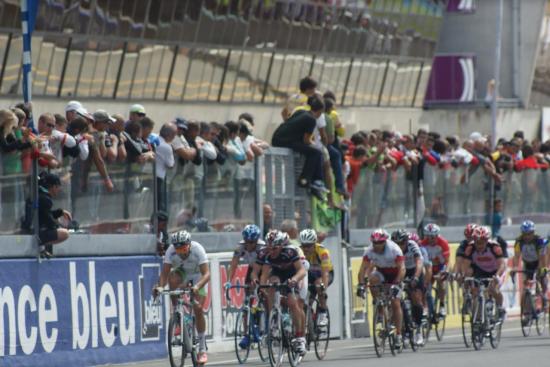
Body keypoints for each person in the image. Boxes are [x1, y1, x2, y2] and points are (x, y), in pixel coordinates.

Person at [153, 230, 210, 364]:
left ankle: (202, 348)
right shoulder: (170, 251)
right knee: (172, 278)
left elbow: (207, 274)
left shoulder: (198, 250)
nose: (181, 252)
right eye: (177, 249)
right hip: (183, 273)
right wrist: (160, 287)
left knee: (198, 307)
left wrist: (197, 287)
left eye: (183, 248)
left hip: (198, 275)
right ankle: (177, 310)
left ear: (189, 245)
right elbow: (165, 274)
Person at [259, 231, 307, 355]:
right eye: (269, 247)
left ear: (281, 246)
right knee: (272, 285)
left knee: (292, 302)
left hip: (293, 273)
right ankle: (273, 320)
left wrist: (295, 280)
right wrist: (261, 288)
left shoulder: (290, 252)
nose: (272, 251)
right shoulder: (266, 253)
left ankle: (299, 337)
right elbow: (264, 274)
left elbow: (302, 270)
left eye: (275, 248)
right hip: (278, 272)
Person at [357, 229, 405, 349]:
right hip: (382, 272)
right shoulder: (369, 251)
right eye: (374, 243)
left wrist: (396, 283)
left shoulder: (394, 249)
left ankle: (398, 335)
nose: (377, 246)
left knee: (395, 302)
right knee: (372, 280)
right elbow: (362, 270)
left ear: (385, 241)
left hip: (396, 274)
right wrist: (361, 285)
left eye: (380, 243)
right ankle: (379, 307)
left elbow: (402, 269)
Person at [272, 95, 327, 199]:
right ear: (320, 111)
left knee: (314, 152)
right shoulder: (311, 120)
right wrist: (315, 145)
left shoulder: (301, 112)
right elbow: (306, 140)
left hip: (278, 137)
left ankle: (316, 181)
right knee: (316, 152)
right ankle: (306, 180)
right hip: (284, 141)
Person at [225, 224, 265, 349]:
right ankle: (246, 333)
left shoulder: (262, 247)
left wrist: (260, 283)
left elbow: (266, 268)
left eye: (252, 242)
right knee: (246, 301)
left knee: (263, 292)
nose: (249, 245)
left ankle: (266, 322)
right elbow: (233, 265)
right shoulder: (240, 246)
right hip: (252, 268)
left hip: (264, 269)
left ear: (256, 240)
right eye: (247, 241)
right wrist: (228, 281)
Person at [391, 229, 426, 345]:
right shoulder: (392, 249)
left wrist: (416, 277)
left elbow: (419, 262)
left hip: (413, 271)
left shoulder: (412, 246)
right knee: (398, 299)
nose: (399, 246)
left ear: (406, 241)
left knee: (416, 298)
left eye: (401, 243)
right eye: (397, 244)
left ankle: (419, 330)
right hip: (401, 271)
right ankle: (404, 331)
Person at [463, 226, 507, 319]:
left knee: (492, 288)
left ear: (487, 241)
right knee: (476, 289)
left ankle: (500, 307)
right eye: (477, 242)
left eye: (482, 243)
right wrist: (465, 277)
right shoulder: (470, 248)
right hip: (481, 270)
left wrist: (497, 276)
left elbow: (502, 265)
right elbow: (466, 266)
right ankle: (478, 315)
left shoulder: (495, 247)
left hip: (496, 271)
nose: (479, 246)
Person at [300, 228, 333, 327]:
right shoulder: (299, 251)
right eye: (304, 246)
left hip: (324, 273)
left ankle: (323, 312)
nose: (306, 249)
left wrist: (324, 288)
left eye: (309, 246)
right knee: (306, 297)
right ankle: (309, 314)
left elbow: (325, 273)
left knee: (319, 286)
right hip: (309, 273)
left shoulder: (323, 252)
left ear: (314, 243)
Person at [512, 220, 548, 311]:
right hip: (527, 263)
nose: (527, 236)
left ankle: (543, 299)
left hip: (538, 262)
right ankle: (526, 309)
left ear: (533, 232)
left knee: (541, 279)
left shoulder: (539, 241)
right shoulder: (519, 241)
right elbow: (516, 256)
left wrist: (541, 268)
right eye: (525, 234)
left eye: (530, 233)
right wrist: (515, 267)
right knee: (526, 285)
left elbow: (542, 257)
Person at [38, 172, 71, 258]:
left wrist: (60, 212)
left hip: (36, 229)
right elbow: (50, 222)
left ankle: (41, 245)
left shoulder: (40, 196)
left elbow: (44, 215)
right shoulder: (45, 199)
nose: (59, 189)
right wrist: (60, 226)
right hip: (36, 233)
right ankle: (39, 244)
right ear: (53, 187)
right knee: (65, 233)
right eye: (58, 187)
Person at [419, 223, 450, 317]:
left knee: (441, 282)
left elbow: (447, 261)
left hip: (440, 267)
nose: (431, 239)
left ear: (437, 235)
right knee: (424, 286)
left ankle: (442, 305)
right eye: (428, 237)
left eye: (433, 237)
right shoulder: (422, 244)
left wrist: (443, 272)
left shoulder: (443, 243)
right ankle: (426, 306)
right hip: (428, 268)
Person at [156, 123, 176, 212]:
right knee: (159, 204)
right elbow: (170, 165)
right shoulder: (166, 146)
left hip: (147, 174)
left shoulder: (152, 139)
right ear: (170, 135)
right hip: (159, 177)